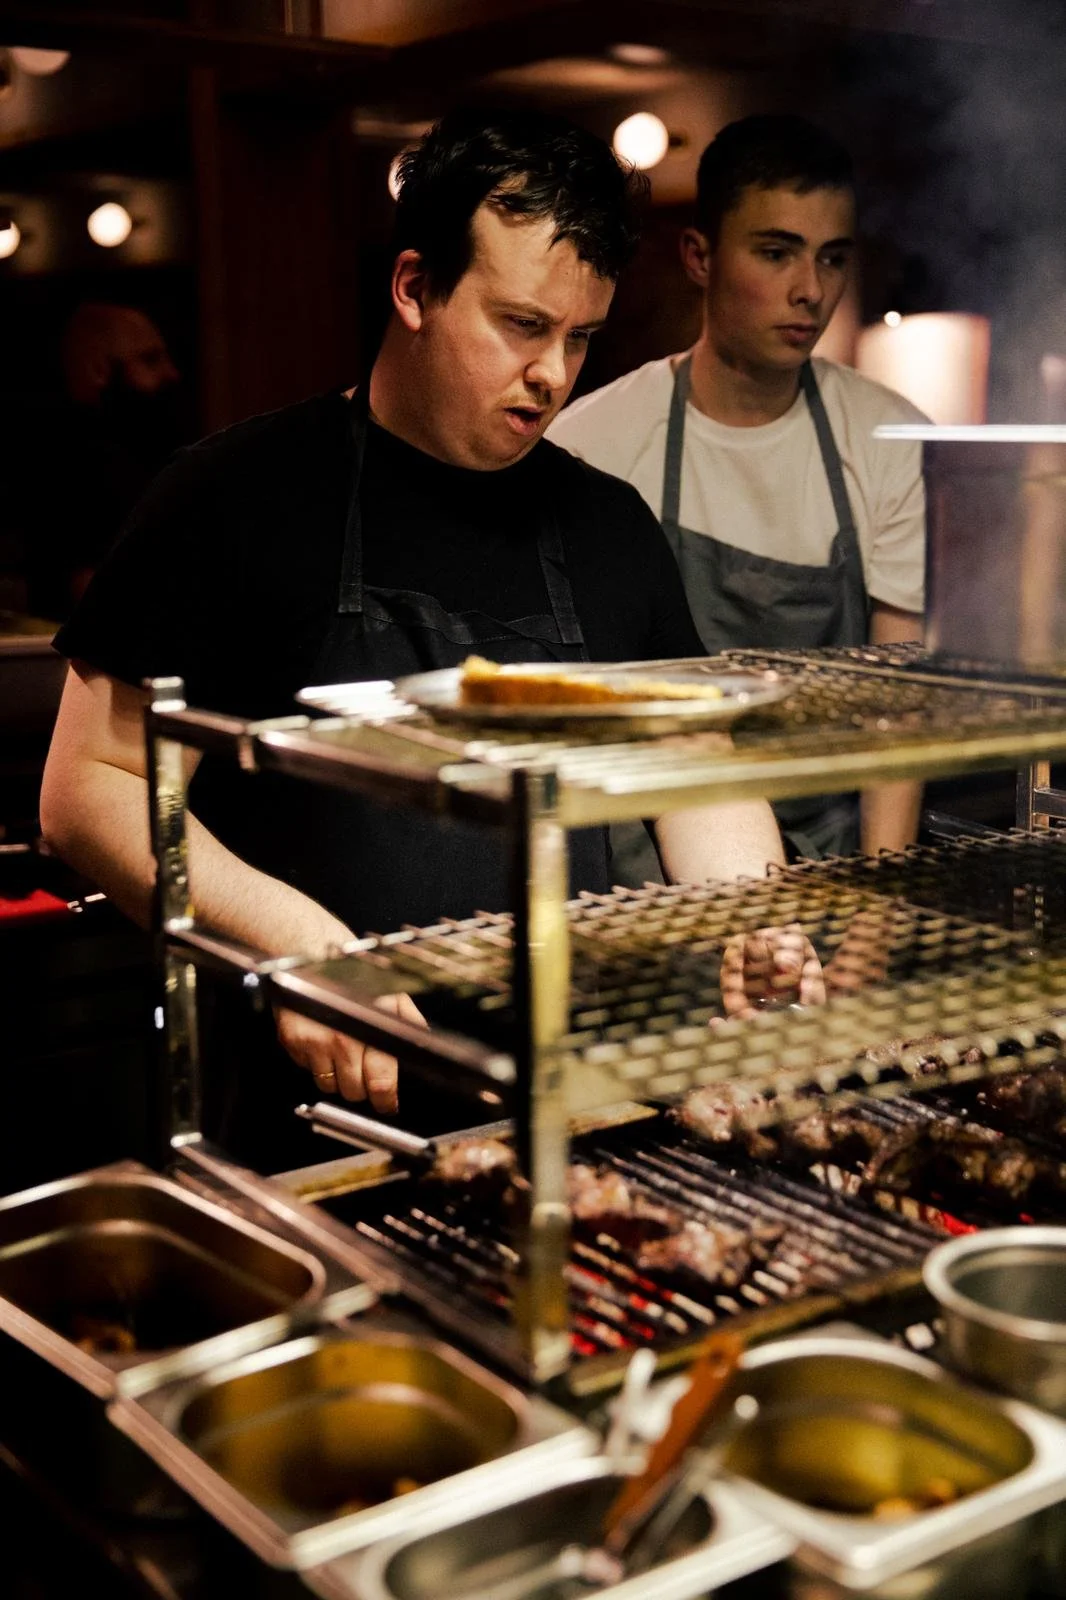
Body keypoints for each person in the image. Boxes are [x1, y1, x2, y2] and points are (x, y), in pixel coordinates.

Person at [40, 109, 807, 1165]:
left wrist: (754, 922)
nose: (553, 374)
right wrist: (297, 942)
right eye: (521, 324)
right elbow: (88, 789)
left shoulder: (608, 527)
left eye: (580, 337)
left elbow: (695, 774)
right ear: (413, 288)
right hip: (312, 1123)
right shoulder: (231, 498)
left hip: (561, 1115)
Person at [549, 113, 927, 865]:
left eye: (832, 258)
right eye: (776, 253)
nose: (810, 290)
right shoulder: (593, 442)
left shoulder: (891, 441)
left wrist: (875, 907)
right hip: (651, 870)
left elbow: (899, 709)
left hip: (838, 866)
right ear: (700, 257)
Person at [20, 301, 184, 620]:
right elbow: (93, 590)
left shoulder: (143, 460)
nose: (171, 373)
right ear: (98, 369)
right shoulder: (75, 466)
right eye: (150, 359)